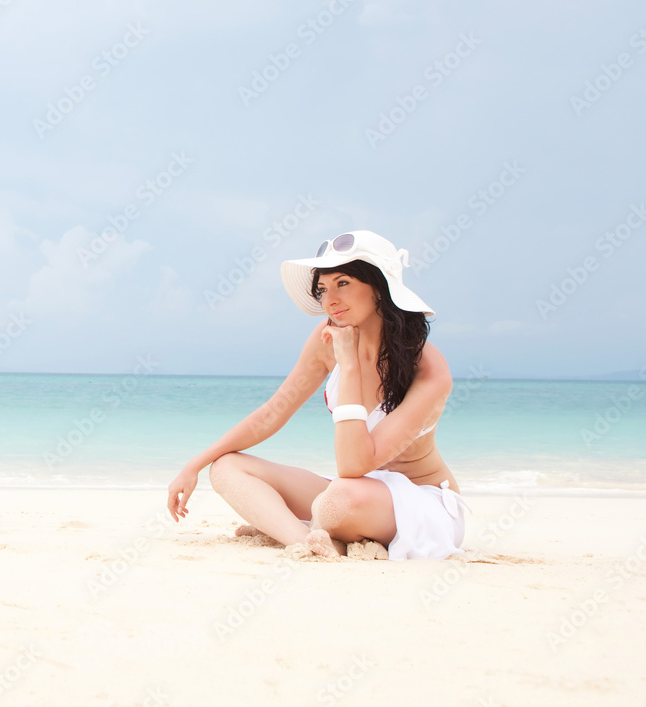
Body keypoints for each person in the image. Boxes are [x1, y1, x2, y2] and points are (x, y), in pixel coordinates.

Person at [166, 230, 470, 560]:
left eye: (343, 283)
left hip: (421, 504)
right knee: (226, 468)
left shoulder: (428, 369)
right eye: (323, 289)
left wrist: (349, 365)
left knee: (337, 499)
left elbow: (354, 464)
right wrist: (194, 465)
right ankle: (307, 541)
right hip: (353, 492)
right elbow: (273, 412)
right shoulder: (325, 338)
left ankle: (294, 529)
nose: (329, 300)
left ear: (380, 288)